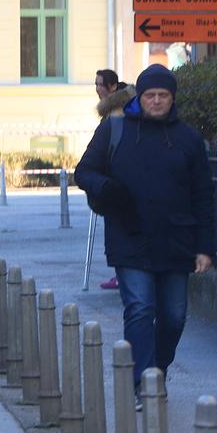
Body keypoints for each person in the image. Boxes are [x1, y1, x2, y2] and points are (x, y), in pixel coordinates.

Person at [74, 64, 215, 409]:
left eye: (163, 95)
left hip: (176, 240)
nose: (156, 101)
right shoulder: (115, 129)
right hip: (129, 236)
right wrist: (106, 187)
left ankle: (158, 370)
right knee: (139, 308)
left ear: (172, 98)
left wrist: (205, 248)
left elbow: (203, 196)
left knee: (174, 315)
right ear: (139, 96)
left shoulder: (188, 138)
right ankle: (143, 383)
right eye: (150, 95)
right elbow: (84, 171)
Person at [92, 69, 135, 290]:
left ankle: (122, 273)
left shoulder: (117, 112)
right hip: (113, 179)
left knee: (120, 230)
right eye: (96, 84)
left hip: (119, 180)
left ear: (113, 86)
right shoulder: (112, 109)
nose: (97, 89)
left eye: (100, 84)